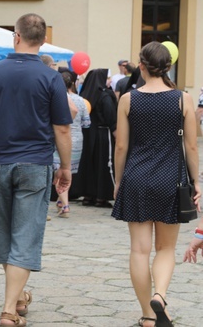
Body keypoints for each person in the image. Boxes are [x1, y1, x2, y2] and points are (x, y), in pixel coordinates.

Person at [0, 14, 72, 327]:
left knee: (6, 235)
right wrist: (66, 167)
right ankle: (8, 310)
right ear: (41, 40)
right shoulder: (50, 77)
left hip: (0, 162)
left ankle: (18, 297)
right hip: (35, 162)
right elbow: (62, 129)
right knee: (25, 237)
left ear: (16, 36)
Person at [112, 41, 200, 327]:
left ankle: (148, 315)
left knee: (139, 250)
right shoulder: (182, 99)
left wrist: (118, 181)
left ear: (141, 66)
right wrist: (197, 182)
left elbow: (121, 147)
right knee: (165, 249)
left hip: (136, 177)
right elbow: (191, 146)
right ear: (168, 67)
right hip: (170, 180)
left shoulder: (128, 99)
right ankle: (160, 296)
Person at [75, 68, 117, 207]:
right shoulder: (104, 96)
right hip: (102, 134)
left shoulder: (85, 94)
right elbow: (110, 115)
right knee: (103, 165)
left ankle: (89, 195)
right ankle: (101, 196)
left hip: (88, 134)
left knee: (89, 164)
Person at [54, 71, 90, 218]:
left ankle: (65, 204)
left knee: (59, 171)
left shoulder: (58, 98)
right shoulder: (81, 100)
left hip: (61, 138)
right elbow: (87, 123)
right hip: (77, 139)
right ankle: (60, 201)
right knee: (68, 170)